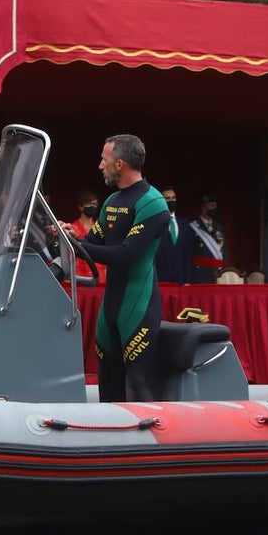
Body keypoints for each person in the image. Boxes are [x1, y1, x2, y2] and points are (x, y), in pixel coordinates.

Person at [69, 134, 169, 402]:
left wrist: (78, 245)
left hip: (138, 306)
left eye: (104, 159)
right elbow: (92, 243)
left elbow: (126, 255)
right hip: (110, 306)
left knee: (139, 384)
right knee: (107, 383)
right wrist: (68, 236)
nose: (100, 165)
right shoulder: (112, 201)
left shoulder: (153, 202)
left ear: (120, 164)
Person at [66, 191, 107, 284]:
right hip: (80, 279)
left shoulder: (100, 228)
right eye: (89, 204)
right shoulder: (72, 228)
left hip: (101, 279)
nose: (92, 207)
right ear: (80, 207)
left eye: (95, 204)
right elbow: (69, 256)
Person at [154, 186, 190, 284]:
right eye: (168, 198)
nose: (171, 201)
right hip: (161, 280)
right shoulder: (154, 224)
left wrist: (187, 280)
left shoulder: (184, 224)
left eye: (173, 198)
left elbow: (187, 254)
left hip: (181, 281)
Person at [188, 195, 226, 284]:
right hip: (200, 274)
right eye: (211, 206)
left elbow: (225, 250)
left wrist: (225, 269)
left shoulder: (219, 226)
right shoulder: (193, 227)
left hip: (218, 273)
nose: (214, 209)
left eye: (215, 207)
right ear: (203, 207)